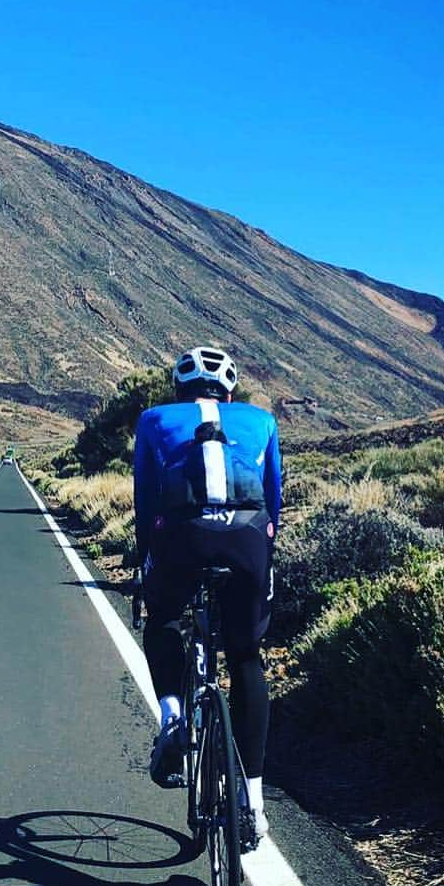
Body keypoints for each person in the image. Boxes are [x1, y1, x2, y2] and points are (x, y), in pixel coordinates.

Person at [132, 346, 281, 850]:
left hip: (180, 536)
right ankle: (253, 804)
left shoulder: (154, 419)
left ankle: (173, 719)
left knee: (164, 619)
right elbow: (273, 496)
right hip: (247, 537)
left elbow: (145, 495)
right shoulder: (261, 420)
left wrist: (143, 554)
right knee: (246, 657)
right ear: (231, 391)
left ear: (178, 390)